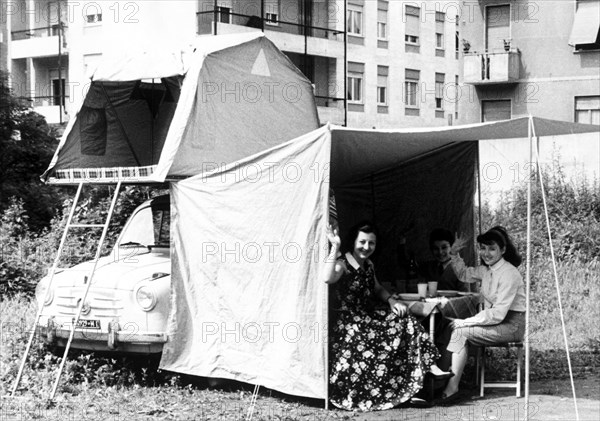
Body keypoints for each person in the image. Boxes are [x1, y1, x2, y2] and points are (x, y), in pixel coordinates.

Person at [322, 221, 451, 411]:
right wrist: (335, 247)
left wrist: (392, 300)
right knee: (385, 334)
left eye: (371, 243)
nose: (366, 247)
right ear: (354, 242)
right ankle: (405, 383)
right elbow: (327, 278)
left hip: (366, 316)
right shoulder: (343, 264)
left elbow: (377, 288)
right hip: (348, 320)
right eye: (362, 242)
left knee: (405, 319)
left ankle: (425, 370)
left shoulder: (368, 264)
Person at [439, 226, 526, 403]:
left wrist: (465, 322)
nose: (486, 253)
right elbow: (463, 274)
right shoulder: (486, 270)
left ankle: (451, 388)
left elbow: (499, 314)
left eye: (492, 248)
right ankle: (438, 381)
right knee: (449, 328)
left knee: (460, 331)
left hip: (511, 325)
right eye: (483, 248)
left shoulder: (510, 273)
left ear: (502, 250)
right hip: (496, 322)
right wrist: (454, 253)